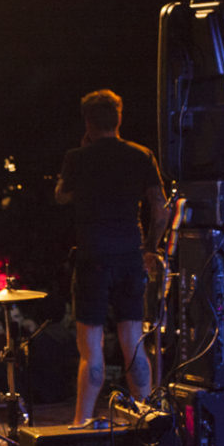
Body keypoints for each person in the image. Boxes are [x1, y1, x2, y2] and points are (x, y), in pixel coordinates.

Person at [55, 89, 169, 426]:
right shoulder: (141, 155)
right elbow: (161, 210)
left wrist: (85, 159)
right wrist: (150, 247)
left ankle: (81, 423)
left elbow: (61, 196)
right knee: (132, 341)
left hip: (92, 256)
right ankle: (147, 419)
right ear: (119, 118)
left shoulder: (77, 158)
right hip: (130, 255)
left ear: (88, 122)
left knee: (91, 350)